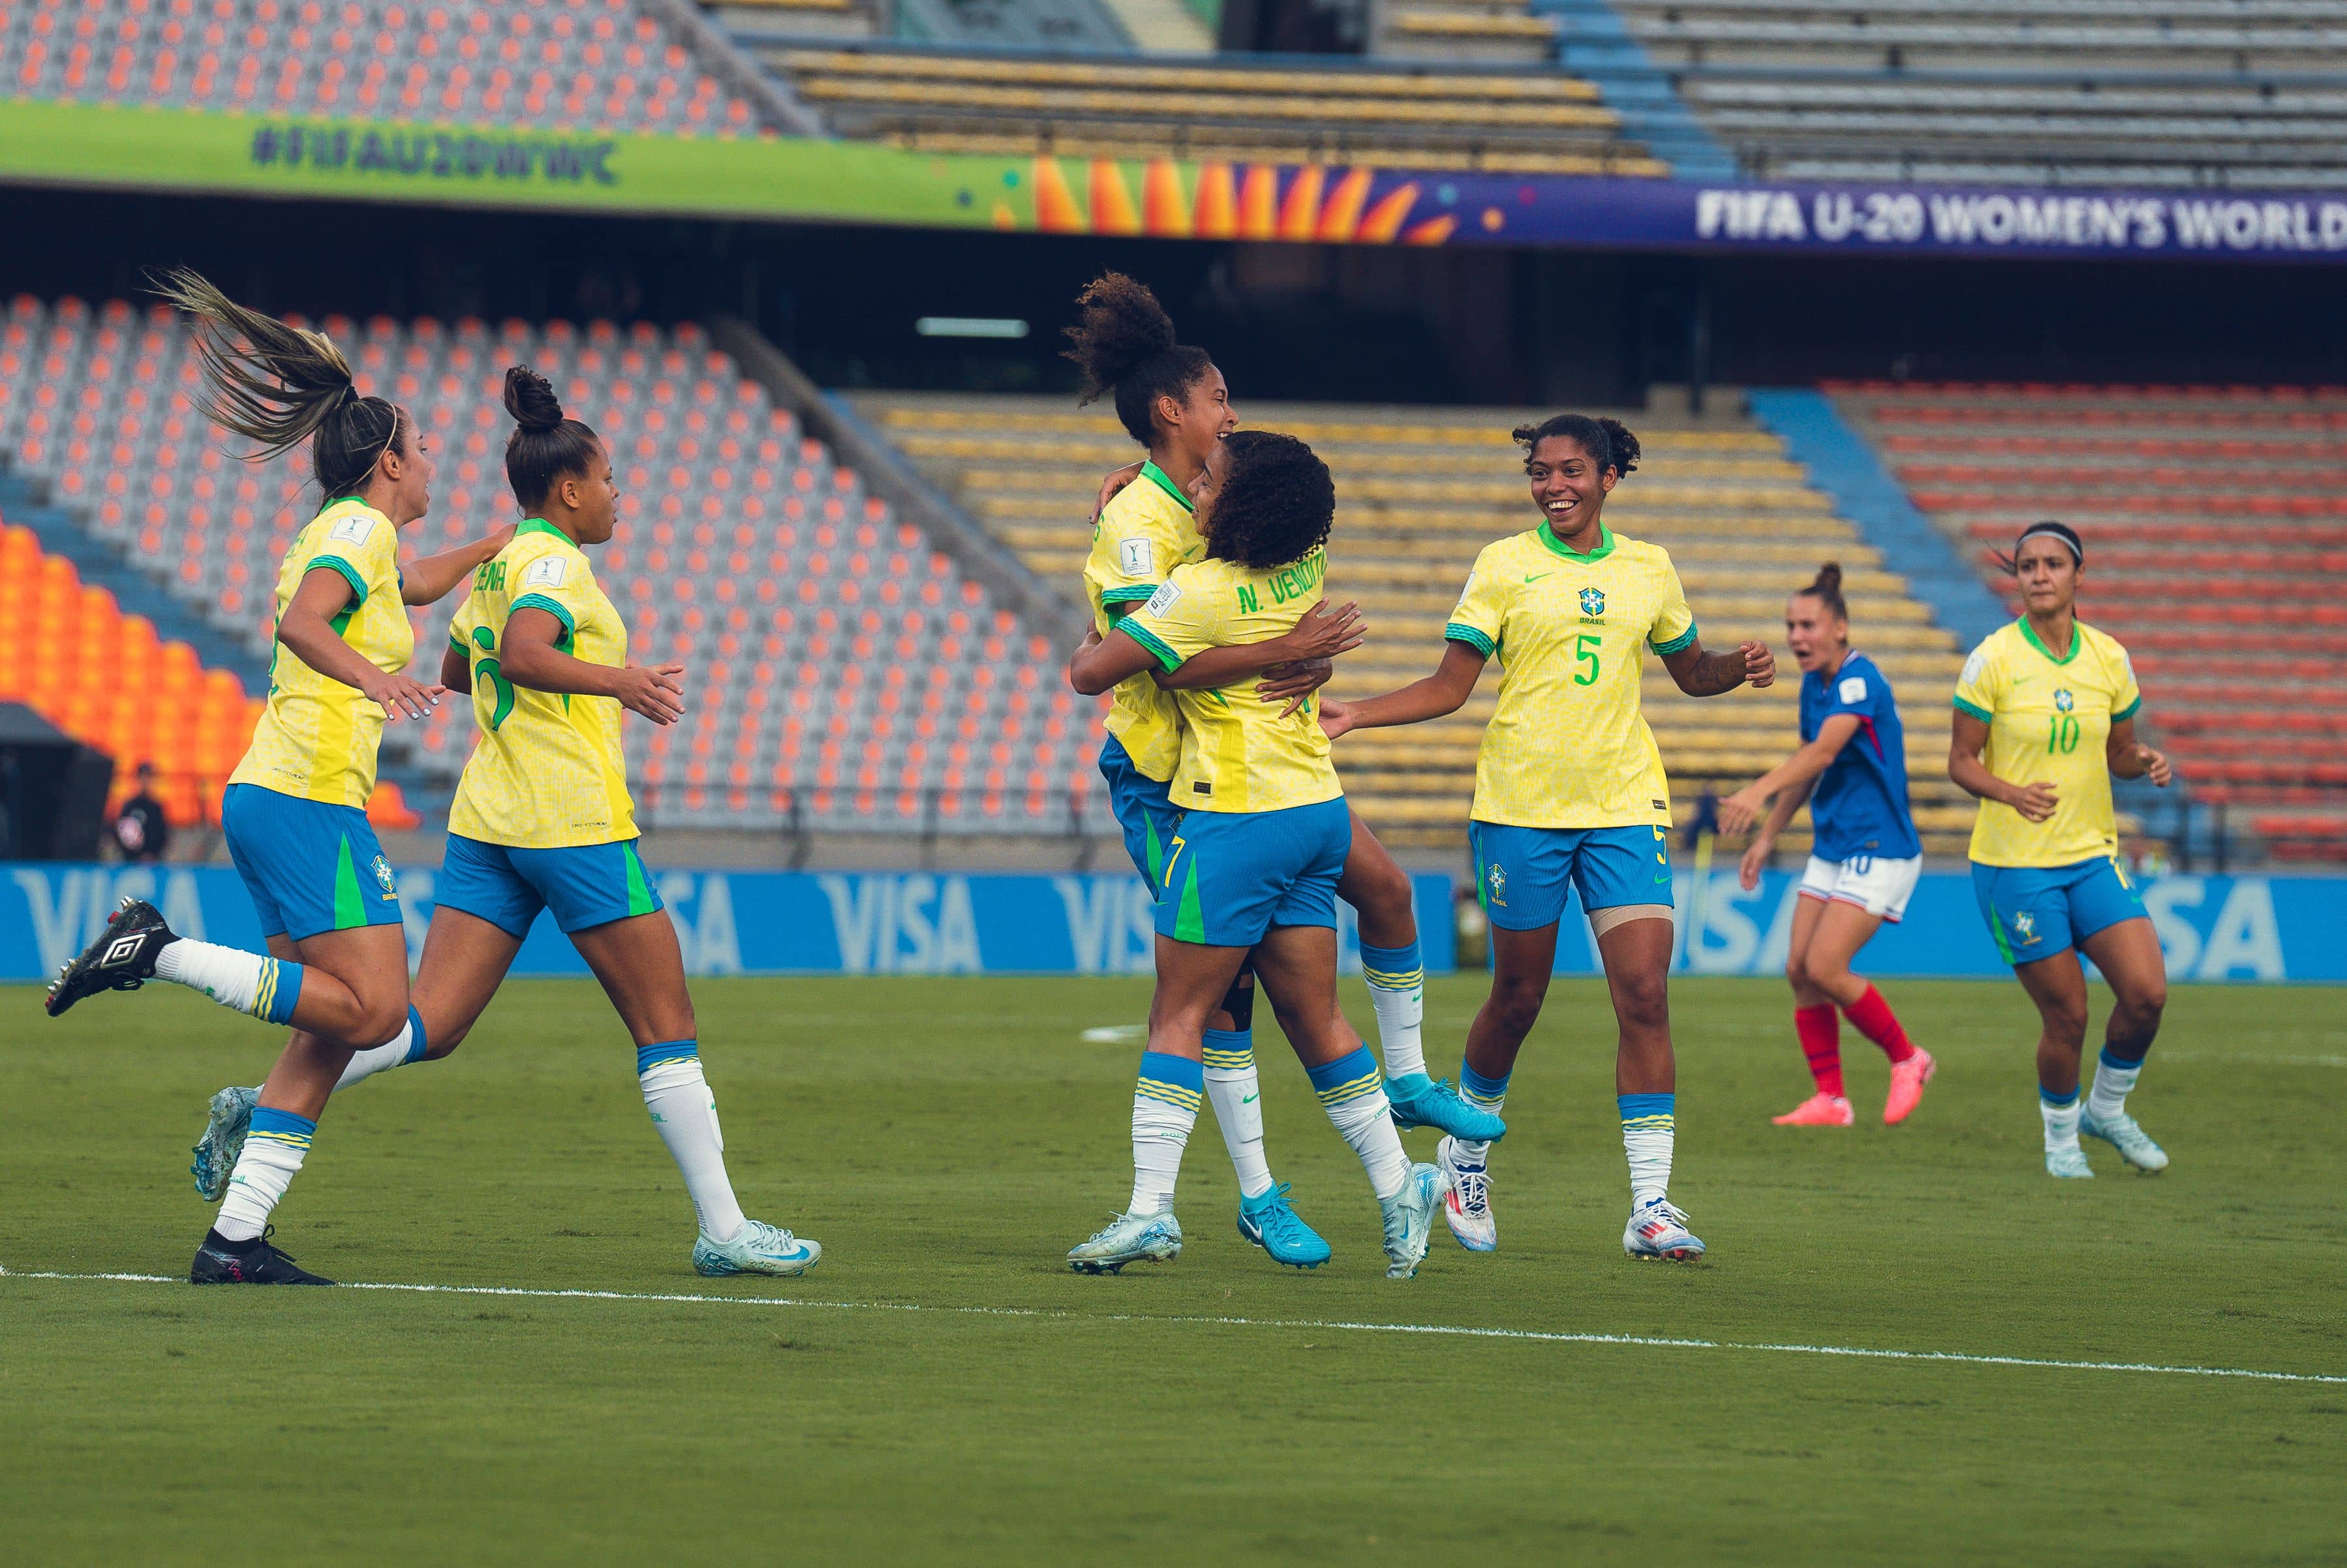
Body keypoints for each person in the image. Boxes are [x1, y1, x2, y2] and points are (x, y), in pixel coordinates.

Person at [189, 369, 821, 1278]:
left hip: (488, 819)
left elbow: (457, 667)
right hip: (569, 817)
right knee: (666, 1021)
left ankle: (264, 1099)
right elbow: (524, 652)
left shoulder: (500, 563)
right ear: (569, 488)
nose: (617, 495)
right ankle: (725, 1230)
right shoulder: (558, 563)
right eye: (608, 480)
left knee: (428, 1024)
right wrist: (622, 679)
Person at [44, 269, 506, 1285]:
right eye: (423, 447)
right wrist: (379, 679)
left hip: (285, 795)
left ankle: (235, 1241)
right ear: (388, 461)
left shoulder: (364, 533)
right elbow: (302, 624)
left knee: (326, 1028)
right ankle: (154, 950)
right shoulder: (354, 534)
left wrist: (498, 542)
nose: (433, 461)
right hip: (304, 796)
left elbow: (417, 583)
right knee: (379, 1011)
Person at [1063, 275, 1500, 1272]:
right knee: (1235, 997)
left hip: (1239, 794)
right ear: (1174, 410)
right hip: (1170, 777)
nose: (1232, 412)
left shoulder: (1212, 523)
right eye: (1220, 398)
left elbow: (1134, 648)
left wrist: (1300, 653)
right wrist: (1284, 649)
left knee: (1239, 995)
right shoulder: (1140, 523)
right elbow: (1138, 657)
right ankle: (1277, 1186)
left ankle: (1235, 1193)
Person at [1320, 414, 1775, 1261]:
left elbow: (1690, 670)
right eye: (1540, 472)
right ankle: (1465, 1153)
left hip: (1624, 804)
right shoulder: (1503, 564)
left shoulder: (1650, 567)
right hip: (1522, 805)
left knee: (1643, 992)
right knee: (1518, 996)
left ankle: (1649, 1205)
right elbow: (1450, 685)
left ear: (1608, 476)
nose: (1553, 485)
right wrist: (1359, 713)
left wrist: (1734, 668)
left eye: (1570, 470)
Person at [1948, 521, 2173, 1179]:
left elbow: (2118, 754)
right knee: (2069, 1013)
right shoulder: (1992, 659)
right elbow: (1961, 762)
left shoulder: (2109, 657)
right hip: (2015, 866)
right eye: (2027, 566)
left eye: (2052, 564)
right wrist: (2010, 792)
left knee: (2147, 994)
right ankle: (2060, 1140)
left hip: (2090, 855)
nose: (2039, 575)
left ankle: (2106, 1109)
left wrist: (2145, 760)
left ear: (2079, 574)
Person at [1720, 562, 1935, 1128]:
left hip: (1881, 845)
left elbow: (1818, 754)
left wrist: (1755, 792)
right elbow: (1809, 770)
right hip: (1836, 845)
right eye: (1790, 625)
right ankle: (1831, 1100)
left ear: (1840, 628)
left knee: (1825, 964)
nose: (1796, 637)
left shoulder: (1859, 681)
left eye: (1808, 625)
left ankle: (1908, 1058)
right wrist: (1767, 837)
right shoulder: (1815, 687)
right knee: (1798, 967)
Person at [112, 762, 171, 864]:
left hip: (154, 862)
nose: (146, 781)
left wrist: (152, 854)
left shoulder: (157, 808)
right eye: (143, 777)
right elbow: (122, 833)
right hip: (131, 862)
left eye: (149, 777)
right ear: (138, 779)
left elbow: (162, 835)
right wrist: (135, 856)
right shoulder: (130, 806)